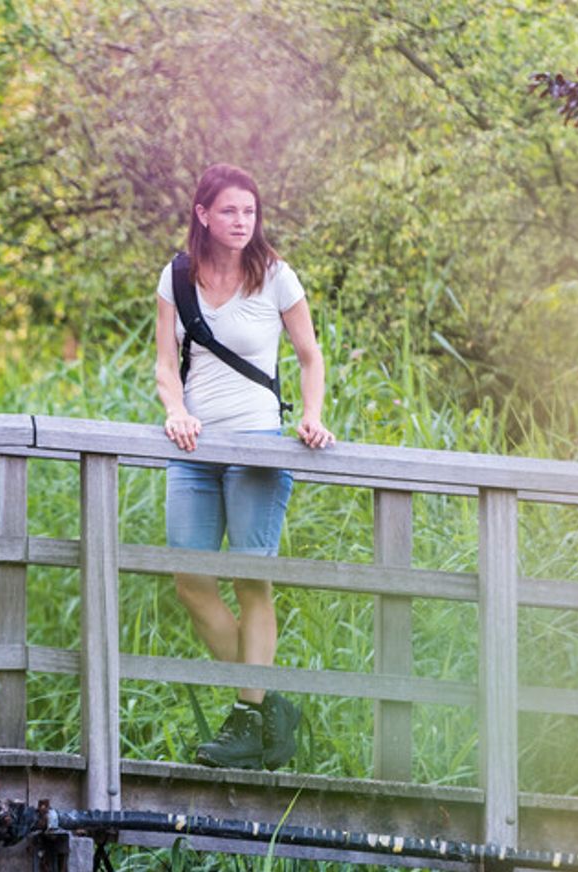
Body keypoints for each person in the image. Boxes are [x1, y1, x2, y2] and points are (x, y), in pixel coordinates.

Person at [153, 163, 334, 770]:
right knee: (190, 580)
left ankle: (248, 712)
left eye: (249, 212)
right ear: (203, 213)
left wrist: (310, 417)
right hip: (195, 449)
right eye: (229, 211)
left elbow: (310, 357)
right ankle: (268, 703)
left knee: (251, 581)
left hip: (257, 444)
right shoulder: (177, 276)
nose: (241, 222)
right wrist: (175, 410)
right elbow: (164, 365)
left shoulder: (276, 277)